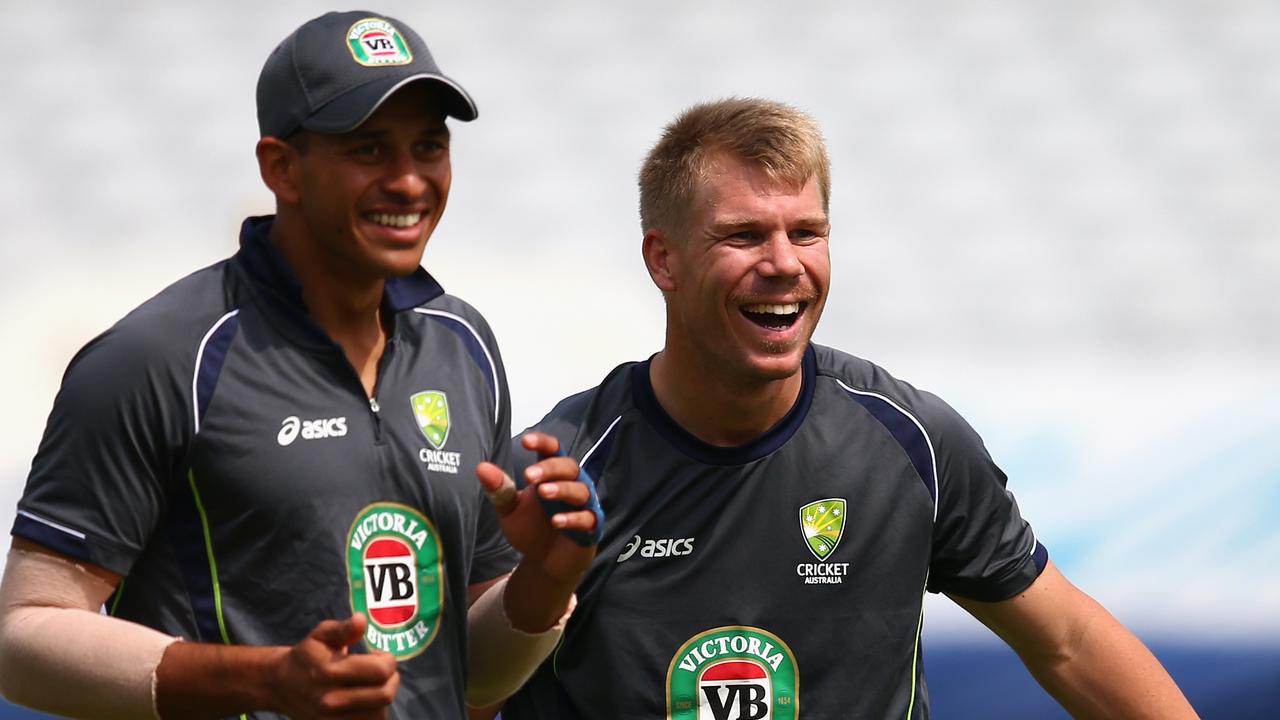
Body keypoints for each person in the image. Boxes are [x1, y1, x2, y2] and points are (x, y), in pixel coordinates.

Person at [498, 98, 1198, 719]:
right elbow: (467, 690)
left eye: (806, 233)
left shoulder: (913, 441)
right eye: (743, 235)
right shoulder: (562, 473)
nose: (783, 262)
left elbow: (1068, 643)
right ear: (664, 260)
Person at [0, 10, 599, 720]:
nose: (409, 181)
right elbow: (24, 639)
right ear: (280, 167)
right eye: (370, 150)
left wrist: (546, 581)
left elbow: (471, 680)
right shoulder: (159, 357)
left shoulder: (460, 343)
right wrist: (264, 680)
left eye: (428, 146)